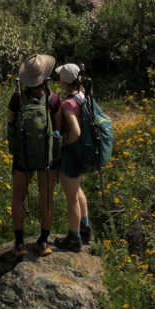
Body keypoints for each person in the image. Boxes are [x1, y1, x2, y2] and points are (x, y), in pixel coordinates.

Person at [7, 53, 61, 257]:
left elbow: (10, 125)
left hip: (23, 156)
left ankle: (19, 244)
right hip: (47, 158)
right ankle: (43, 242)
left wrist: (15, 148)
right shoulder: (53, 99)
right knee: (46, 199)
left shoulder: (16, 98)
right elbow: (58, 128)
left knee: (18, 198)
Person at [53, 63, 93, 252]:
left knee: (71, 199)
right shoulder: (84, 95)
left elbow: (75, 130)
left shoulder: (68, 104)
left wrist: (66, 143)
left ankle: (74, 238)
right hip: (84, 152)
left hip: (72, 154)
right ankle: (86, 229)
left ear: (64, 82)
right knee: (77, 191)